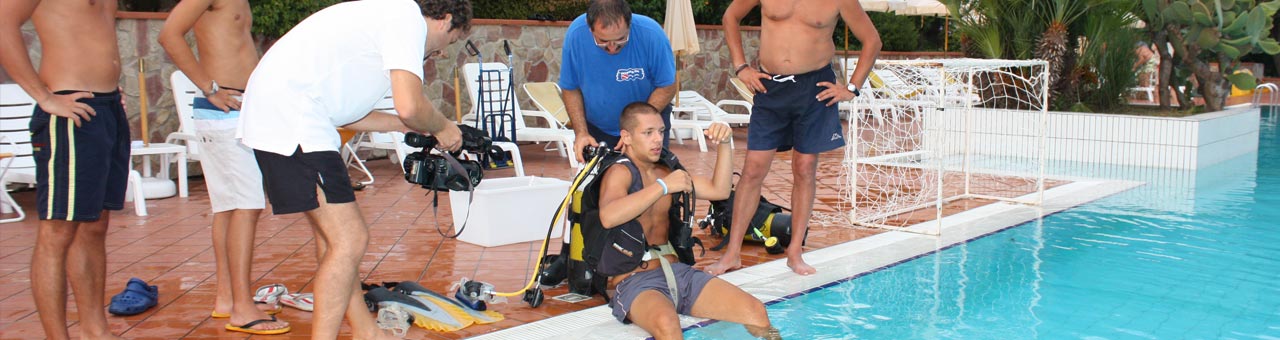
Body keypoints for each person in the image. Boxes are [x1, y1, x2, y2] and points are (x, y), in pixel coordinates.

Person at [236, 0, 470, 338]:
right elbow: (410, 104)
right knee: (349, 239)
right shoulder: (407, 17)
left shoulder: (383, 20)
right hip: (295, 120)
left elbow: (349, 114)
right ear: (445, 21)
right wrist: (443, 126)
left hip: (285, 115)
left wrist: (412, 127)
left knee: (333, 241)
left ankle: (365, 331)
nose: (443, 53)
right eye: (450, 42)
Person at [708, 0, 881, 276]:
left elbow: (872, 40)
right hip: (770, 87)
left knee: (804, 168)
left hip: (815, 90)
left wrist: (851, 88)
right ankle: (732, 253)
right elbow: (730, 16)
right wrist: (741, 67)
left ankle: (794, 252)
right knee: (753, 169)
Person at [158, 0, 290, 334]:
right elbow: (169, 34)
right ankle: (243, 309)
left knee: (229, 208)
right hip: (223, 111)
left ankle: (226, 298)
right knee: (247, 206)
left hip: (241, 110)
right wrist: (210, 88)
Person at [0, 1, 130, 339]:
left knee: (94, 225)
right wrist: (43, 96)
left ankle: (94, 330)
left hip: (106, 106)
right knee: (58, 230)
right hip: (69, 110)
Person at [599, 102, 778, 340]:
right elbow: (608, 216)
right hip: (635, 280)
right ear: (627, 137)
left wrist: (725, 144)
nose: (657, 140)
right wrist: (663, 188)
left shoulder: (666, 171)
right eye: (648, 133)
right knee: (667, 326)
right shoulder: (619, 172)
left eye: (661, 132)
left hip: (678, 272)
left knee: (755, 312)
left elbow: (719, 190)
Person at [560, 0, 677, 161]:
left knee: (652, 177)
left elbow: (668, 85)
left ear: (630, 25)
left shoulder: (651, 34)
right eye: (603, 41)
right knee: (605, 182)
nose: (612, 48)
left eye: (621, 39)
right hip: (598, 127)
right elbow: (570, 88)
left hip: (647, 124)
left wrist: (637, 127)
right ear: (590, 28)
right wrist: (581, 132)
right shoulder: (576, 35)